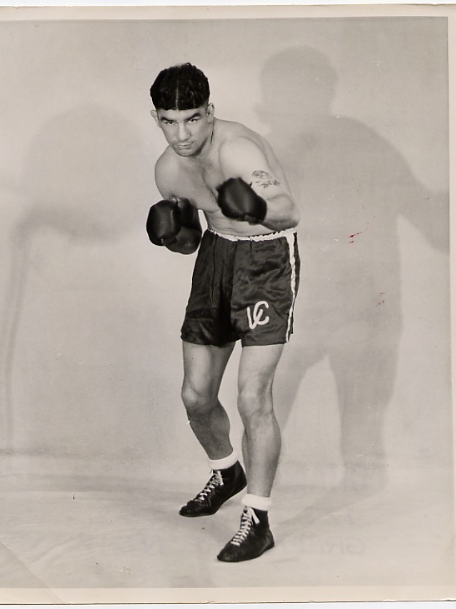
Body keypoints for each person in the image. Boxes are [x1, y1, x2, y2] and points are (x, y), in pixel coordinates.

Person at [147, 63, 300, 562]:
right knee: (195, 395)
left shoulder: (238, 150)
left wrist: (252, 207)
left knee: (252, 397)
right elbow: (190, 241)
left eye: (192, 118)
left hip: (267, 261)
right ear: (156, 118)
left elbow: (288, 210)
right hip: (216, 256)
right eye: (170, 121)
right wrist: (175, 235)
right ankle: (227, 471)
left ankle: (258, 518)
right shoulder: (168, 170)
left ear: (210, 112)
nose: (182, 134)